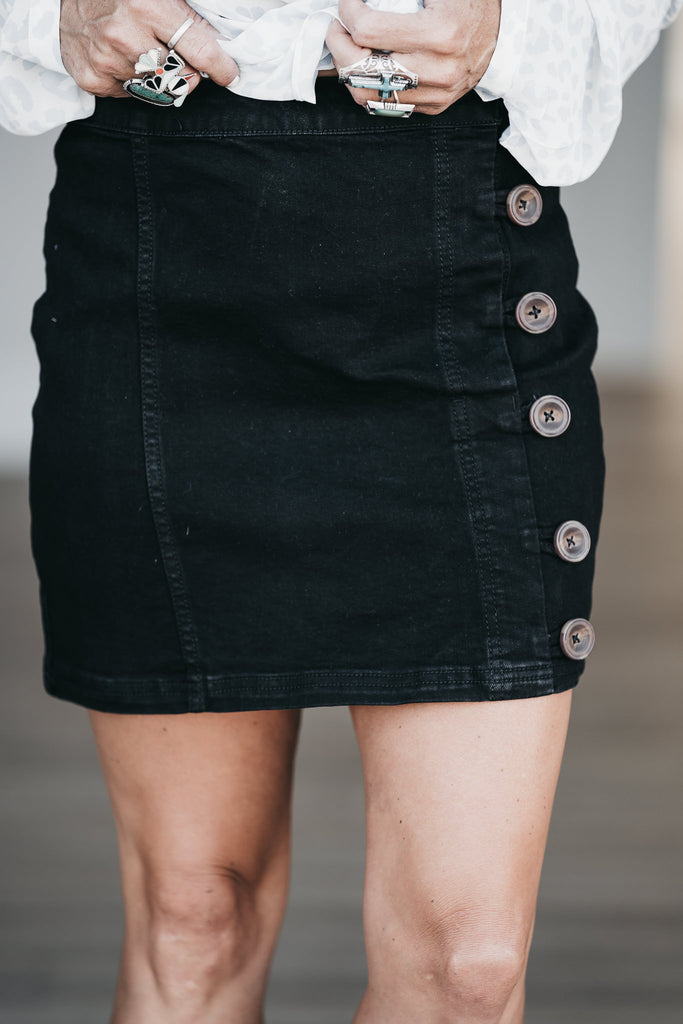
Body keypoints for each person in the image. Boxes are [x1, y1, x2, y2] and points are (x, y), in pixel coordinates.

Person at [1, 1, 680, 1022]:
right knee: (195, 916)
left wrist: (512, 33)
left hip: (454, 254)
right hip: (159, 246)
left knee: (466, 969)